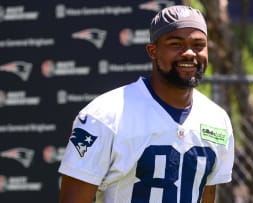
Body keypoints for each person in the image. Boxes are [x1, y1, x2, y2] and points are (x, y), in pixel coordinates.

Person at [58, 5, 234, 203]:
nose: (189, 53)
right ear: (153, 51)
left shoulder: (217, 119)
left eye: (198, 44)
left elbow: (205, 195)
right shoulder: (105, 114)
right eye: (176, 44)